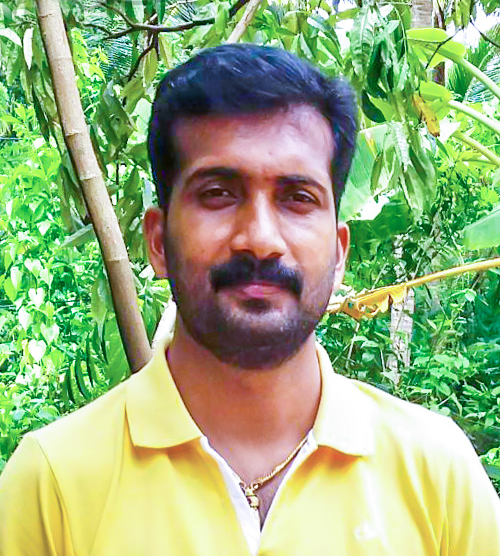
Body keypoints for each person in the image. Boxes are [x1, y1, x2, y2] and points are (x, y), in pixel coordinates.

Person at [0, 44, 499, 556]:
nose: (260, 239)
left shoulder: (438, 477)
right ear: (158, 242)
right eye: (218, 193)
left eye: (297, 198)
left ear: (339, 252)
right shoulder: (53, 486)